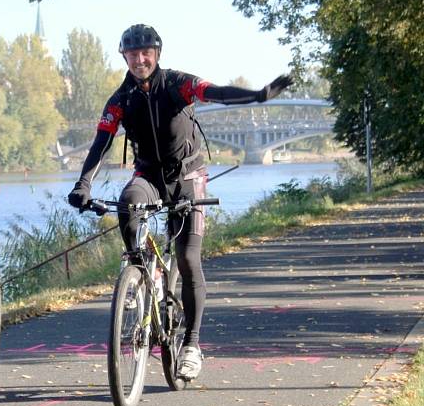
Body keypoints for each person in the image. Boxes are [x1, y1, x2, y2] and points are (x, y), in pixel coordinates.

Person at [67, 24, 292, 381]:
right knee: (128, 204)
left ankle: (191, 344)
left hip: (188, 177)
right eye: (133, 54)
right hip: (149, 176)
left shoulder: (177, 84)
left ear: (157, 54)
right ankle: (142, 274)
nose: (140, 59)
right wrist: (83, 184)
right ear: (123, 56)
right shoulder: (120, 99)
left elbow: (214, 92)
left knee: (187, 259)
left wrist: (258, 96)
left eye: (146, 53)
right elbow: (100, 143)